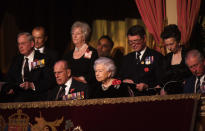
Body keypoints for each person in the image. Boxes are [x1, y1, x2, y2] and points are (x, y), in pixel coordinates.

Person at [1, 32, 55, 102]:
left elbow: (49, 81)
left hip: (37, 97)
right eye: (19, 44)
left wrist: (32, 85)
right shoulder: (16, 60)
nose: (20, 46)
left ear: (32, 44)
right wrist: (10, 88)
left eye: (23, 43)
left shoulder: (43, 59)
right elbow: (9, 78)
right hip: (17, 96)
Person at [120, 25, 165, 96]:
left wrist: (147, 86)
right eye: (130, 42)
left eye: (136, 41)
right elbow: (119, 77)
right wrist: (124, 81)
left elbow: (162, 81)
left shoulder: (156, 56)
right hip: (129, 97)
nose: (133, 45)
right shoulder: (127, 58)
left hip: (148, 97)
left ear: (144, 38)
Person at [63, 21, 98, 91]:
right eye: (73, 34)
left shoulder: (91, 51)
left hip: (85, 88)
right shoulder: (68, 55)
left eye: (78, 34)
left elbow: (94, 73)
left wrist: (81, 79)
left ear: (84, 36)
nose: (74, 36)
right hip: (70, 89)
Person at [160, 24, 192, 94]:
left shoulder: (188, 54)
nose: (169, 48)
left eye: (171, 44)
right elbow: (163, 79)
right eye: (167, 45)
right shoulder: (166, 58)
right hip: (170, 94)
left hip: (187, 92)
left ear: (178, 41)